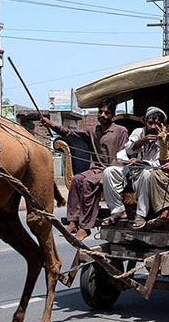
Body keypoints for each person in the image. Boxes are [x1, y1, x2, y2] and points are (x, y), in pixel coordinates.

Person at [43, 98, 128, 240]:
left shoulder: (121, 131)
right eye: (100, 112)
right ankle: (73, 221)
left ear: (112, 114)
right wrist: (51, 125)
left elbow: (122, 156)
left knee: (88, 183)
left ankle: (85, 227)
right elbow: (69, 133)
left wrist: (106, 176)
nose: (103, 115)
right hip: (95, 169)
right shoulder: (92, 130)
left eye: (107, 112)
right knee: (77, 179)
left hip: (113, 171)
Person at [101, 106, 167, 230]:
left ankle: (141, 214)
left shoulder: (165, 136)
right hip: (131, 169)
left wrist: (141, 162)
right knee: (109, 172)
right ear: (145, 121)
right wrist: (142, 141)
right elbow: (128, 148)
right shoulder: (139, 132)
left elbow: (161, 163)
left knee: (147, 174)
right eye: (150, 123)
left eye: (157, 124)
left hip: (151, 171)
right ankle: (118, 210)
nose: (153, 127)